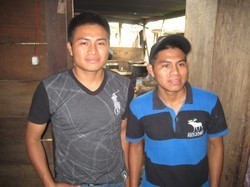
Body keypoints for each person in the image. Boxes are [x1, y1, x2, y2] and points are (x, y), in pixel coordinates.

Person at [25, 10, 134, 187]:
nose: (93, 51)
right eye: (84, 43)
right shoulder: (50, 88)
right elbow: (32, 138)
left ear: (108, 47)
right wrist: (49, 183)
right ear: (70, 48)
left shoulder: (123, 86)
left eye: (100, 43)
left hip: (115, 181)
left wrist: (129, 176)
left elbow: (123, 132)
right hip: (71, 183)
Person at [126, 35, 228, 187]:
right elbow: (136, 146)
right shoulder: (138, 106)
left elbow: (215, 146)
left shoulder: (209, 101)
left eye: (180, 64)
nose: (175, 72)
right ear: (151, 70)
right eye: (166, 65)